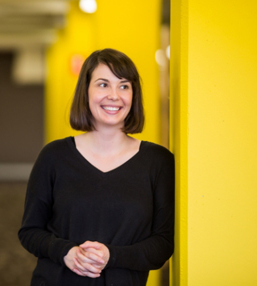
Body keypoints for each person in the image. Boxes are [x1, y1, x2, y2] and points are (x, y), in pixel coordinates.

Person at [18, 48, 174, 286]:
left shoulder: (158, 161)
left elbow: (163, 244)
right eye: (103, 84)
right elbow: (30, 232)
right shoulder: (54, 157)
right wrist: (66, 252)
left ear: (134, 95)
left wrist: (112, 256)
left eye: (124, 86)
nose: (114, 95)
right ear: (86, 91)